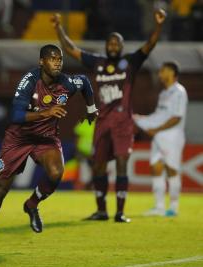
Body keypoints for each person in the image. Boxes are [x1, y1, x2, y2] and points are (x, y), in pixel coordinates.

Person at [0, 44, 98, 250]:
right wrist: (45, 113)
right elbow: (15, 115)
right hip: (18, 138)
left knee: (57, 172)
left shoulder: (67, 83)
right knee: (1, 188)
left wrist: (91, 109)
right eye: (52, 58)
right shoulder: (29, 81)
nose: (57, 62)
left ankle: (31, 204)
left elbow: (85, 82)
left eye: (59, 59)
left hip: (46, 138)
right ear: (41, 62)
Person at [52, 9, 166, 222]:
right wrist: (59, 27)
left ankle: (120, 212)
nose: (113, 46)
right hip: (103, 121)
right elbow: (71, 50)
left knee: (122, 163)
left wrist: (158, 25)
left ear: (122, 48)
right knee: (98, 165)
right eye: (110, 43)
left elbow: (149, 45)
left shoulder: (131, 62)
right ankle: (101, 210)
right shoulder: (98, 63)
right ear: (106, 46)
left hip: (123, 122)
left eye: (116, 43)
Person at [133, 62, 188, 217]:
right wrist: (141, 119)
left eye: (163, 71)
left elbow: (176, 118)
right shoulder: (163, 94)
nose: (159, 74)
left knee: (172, 169)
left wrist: (155, 129)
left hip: (172, 136)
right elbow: (159, 116)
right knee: (155, 168)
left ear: (172, 72)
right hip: (159, 136)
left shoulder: (179, 92)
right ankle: (158, 207)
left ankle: (174, 207)